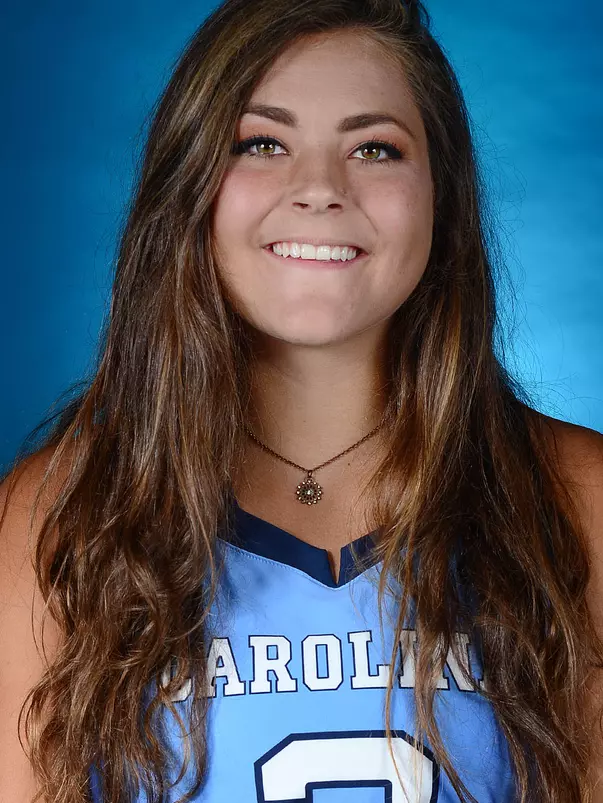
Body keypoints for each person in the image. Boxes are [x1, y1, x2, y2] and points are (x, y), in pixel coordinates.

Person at [1, 0, 603, 800]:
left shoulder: (575, 494)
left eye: (374, 148)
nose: (319, 188)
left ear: (440, 197)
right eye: (262, 143)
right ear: (189, 187)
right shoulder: (56, 511)